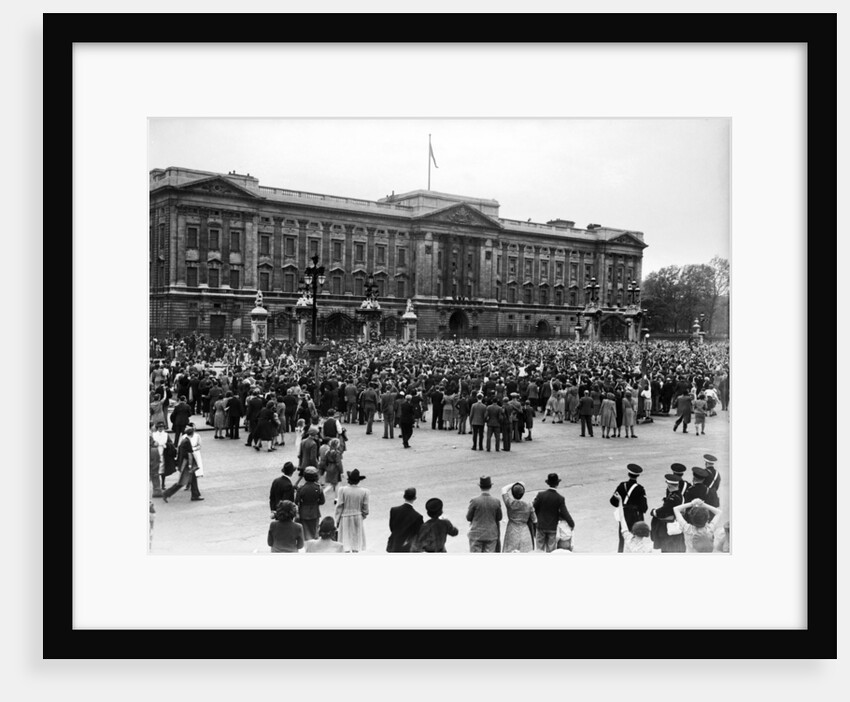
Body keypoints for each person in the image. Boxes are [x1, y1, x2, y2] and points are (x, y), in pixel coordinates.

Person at [608, 464, 648, 553]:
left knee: (623, 538)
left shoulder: (622, 486)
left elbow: (613, 501)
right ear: (638, 475)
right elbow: (644, 508)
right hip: (635, 517)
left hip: (624, 514)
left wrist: (621, 503)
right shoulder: (640, 489)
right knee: (636, 539)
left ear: (628, 474)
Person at [532, 473, 575, 553]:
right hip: (552, 527)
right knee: (551, 551)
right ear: (557, 484)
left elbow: (533, 508)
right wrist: (571, 523)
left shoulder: (540, 495)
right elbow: (565, 513)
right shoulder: (560, 498)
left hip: (540, 526)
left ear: (548, 483)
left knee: (539, 550)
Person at [162, 424, 203, 502]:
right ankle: (167, 493)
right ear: (192, 433)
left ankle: (195, 494)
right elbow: (189, 454)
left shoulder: (184, 441)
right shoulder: (187, 442)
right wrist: (191, 465)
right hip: (187, 465)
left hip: (184, 464)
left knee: (192, 480)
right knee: (181, 482)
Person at [649, 473, 686, 552]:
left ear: (669, 486)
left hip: (670, 526)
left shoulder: (672, 498)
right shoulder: (680, 495)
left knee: (667, 549)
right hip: (678, 524)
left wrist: (653, 511)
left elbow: (663, 511)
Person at [335, 469, 370, 552]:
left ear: (349, 480)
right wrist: (362, 516)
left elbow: (339, 506)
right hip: (358, 517)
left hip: (345, 517)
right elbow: (365, 508)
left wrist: (337, 520)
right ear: (358, 481)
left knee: (345, 542)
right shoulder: (365, 492)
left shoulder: (342, 490)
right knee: (356, 541)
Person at [466, 476, 503, 552]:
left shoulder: (474, 501)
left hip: (476, 534)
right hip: (491, 534)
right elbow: (499, 517)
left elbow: (468, 518)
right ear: (490, 486)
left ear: (480, 486)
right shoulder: (496, 501)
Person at [500, 481, 536, 552]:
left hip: (511, 531)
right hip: (525, 532)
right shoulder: (528, 506)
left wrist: (515, 483)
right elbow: (535, 520)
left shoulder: (509, 503)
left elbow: (504, 489)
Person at [386, 487, 424, 553]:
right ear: (415, 498)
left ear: (404, 496)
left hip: (394, 544)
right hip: (408, 548)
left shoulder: (394, 510)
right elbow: (420, 534)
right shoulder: (418, 516)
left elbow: (392, 527)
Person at [295, 466, 325, 540]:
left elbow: (296, 501)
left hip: (303, 513)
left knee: (305, 534)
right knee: (314, 533)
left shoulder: (301, 488)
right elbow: (322, 501)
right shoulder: (318, 488)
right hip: (315, 512)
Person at [318, 437, 344, 503]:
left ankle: (335, 497)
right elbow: (339, 463)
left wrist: (327, 467)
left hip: (329, 467)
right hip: (335, 468)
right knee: (336, 484)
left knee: (332, 484)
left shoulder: (327, 452)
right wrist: (341, 471)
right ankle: (336, 498)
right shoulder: (337, 453)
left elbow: (325, 461)